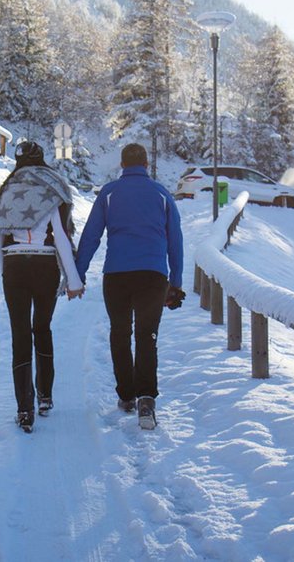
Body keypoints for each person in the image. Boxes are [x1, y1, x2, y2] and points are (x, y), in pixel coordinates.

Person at [75, 143, 184, 430]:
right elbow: (175, 240)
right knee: (147, 336)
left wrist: (78, 273)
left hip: (117, 275)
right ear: (146, 164)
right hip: (153, 275)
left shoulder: (109, 193)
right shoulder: (162, 194)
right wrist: (176, 282)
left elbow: (91, 236)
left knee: (120, 333)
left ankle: (126, 395)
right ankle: (146, 400)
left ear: (122, 165)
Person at [0, 140, 84, 433]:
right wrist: (73, 280)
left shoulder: (8, 189)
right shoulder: (53, 187)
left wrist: (5, 269)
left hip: (15, 266)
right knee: (42, 328)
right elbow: (61, 236)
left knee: (20, 335)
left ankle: (24, 410)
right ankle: (45, 397)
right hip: (45, 265)